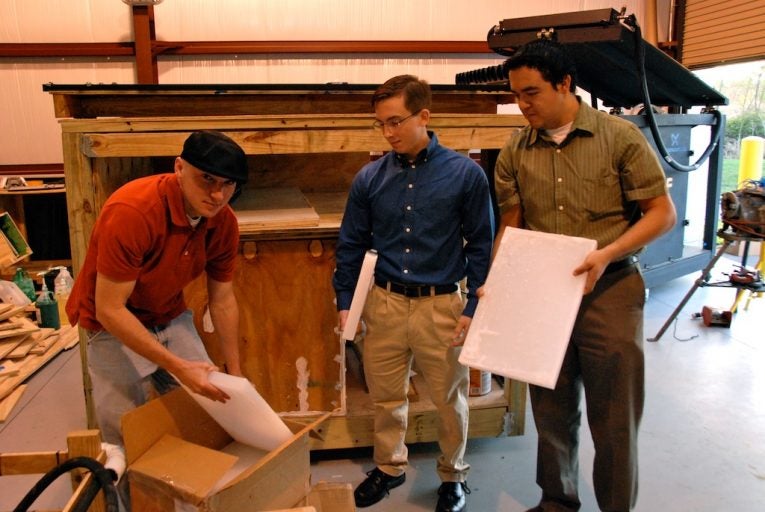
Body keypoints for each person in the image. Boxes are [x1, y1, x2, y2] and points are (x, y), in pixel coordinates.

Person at [493, 39, 677, 512]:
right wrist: (497, 293)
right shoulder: (516, 149)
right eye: (516, 94)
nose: (523, 103)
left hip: (610, 287)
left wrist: (608, 252)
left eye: (531, 92)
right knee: (550, 408)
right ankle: (557, 500)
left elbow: (662, 214)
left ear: (565, 84)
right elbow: (512, 226)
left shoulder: (619, 137)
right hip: (545, 294)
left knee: (614, 416)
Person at [333, 75, 494, 512]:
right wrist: (347, 303)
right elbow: (350, 244)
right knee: (386, 397)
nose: (388, 133)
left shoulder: (466, 176)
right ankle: (389, 466)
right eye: (381, 124)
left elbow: (481, 245)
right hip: (383, 303)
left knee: (448, 399)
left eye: (396, 121)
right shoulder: (369, 179)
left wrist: (474, 307)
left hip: (442, 304)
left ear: (424, 115)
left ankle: (452, 475)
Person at [66, 130, 247, 450]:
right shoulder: (132, 211)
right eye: (206, 179)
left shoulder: (223, 223)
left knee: (211, 407)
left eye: (227, 184)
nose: (217, 195)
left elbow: (223, 301)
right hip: (110, 323)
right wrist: (178, 366)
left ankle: (193, 492)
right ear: (179, 168)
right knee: (124, 432)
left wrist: (235, 372)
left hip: (167, 313)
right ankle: (124, 498)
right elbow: (111, 309)